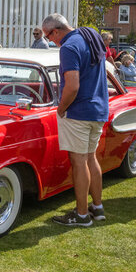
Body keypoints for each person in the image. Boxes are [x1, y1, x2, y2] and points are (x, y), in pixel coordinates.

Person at [42, 13, 108, 227]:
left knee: (79, 161)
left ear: (56, 31)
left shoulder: (68, 47)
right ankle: (97, 208)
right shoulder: (91, 36)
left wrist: (61, 109)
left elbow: (72, 86)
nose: (49, 40)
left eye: (48, 35)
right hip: (98, 108)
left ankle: (81, 215)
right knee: (91, 158)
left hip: (78, 111)